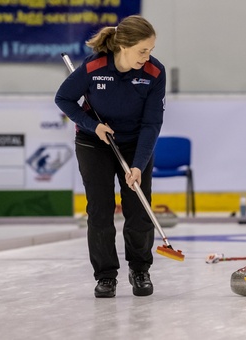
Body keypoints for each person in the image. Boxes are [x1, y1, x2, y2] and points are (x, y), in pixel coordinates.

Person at [55, 15, 166, 298]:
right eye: (143, 50)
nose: (147, 56)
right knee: (100, 210)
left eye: (150, 50)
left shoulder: (154, 72)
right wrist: (94, 125)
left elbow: (152, 124)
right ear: (124, 46)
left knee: (138, 208)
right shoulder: (94, 66)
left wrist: (138, 165)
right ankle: (105, 275)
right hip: (94, 143)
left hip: (133, 145)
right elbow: (64, 99)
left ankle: (140, 269)